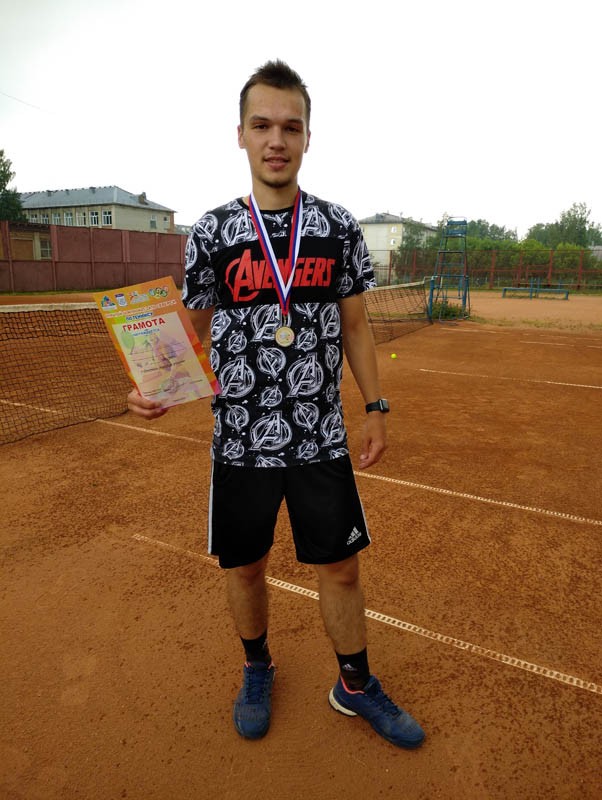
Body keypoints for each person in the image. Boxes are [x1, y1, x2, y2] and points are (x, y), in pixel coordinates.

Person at [127, 59, 425, 749]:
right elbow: (190, 329)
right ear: (240, 134)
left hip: (319, 435)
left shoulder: (338, 227)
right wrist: (154, 385)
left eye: (291, 127)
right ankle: (257, 667)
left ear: (308, 137)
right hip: (241, 438)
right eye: (262, 125)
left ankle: (354, 685)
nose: (276, 140)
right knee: (246, 566)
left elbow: (356, 325)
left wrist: (375, 406)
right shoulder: (212, 232)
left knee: (341, 566)